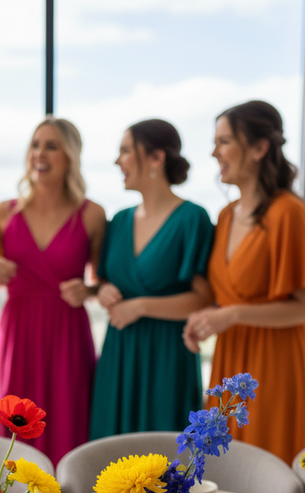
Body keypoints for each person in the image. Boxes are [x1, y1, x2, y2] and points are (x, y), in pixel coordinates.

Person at [183, 100, 305, 464]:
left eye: (225, 141)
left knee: (269, 468)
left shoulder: (289, 212)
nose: (215, 152)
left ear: (260, 148)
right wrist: (206, 318)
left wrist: (231, 315)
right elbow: (229, 295)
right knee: (227, 470)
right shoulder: (226, 216)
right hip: (231, 359)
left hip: (276, 363)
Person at [0, 117, 106, 465]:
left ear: (70, 156)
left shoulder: (92, 215)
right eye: (35, 145)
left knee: (68, 423)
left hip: (67, 334)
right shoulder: (3, 214)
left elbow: (103, 282)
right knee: (14, 431)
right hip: (17, 331)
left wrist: (87, 290)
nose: (40, 153)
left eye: (51, 146)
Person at [89, 119, 214, 440]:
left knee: (164, 457)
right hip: (119, 353)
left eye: (126, 151)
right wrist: (104, 292)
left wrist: (140, 306)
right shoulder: (118, 221)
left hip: (167, 356)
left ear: (156, 157)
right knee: (111, 454)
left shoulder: (192, 219)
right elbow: (103, 281)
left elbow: (203, 298)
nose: (119, 161)